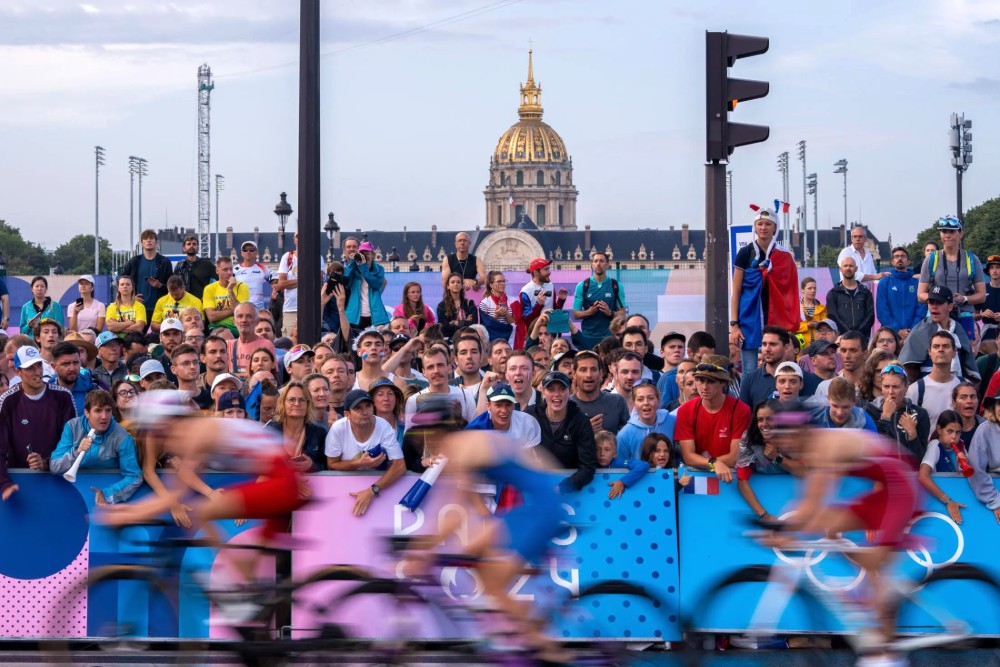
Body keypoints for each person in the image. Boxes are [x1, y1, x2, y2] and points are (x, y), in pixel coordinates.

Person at [399, 419, 568, 663]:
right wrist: (428, 546)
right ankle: (514, 621)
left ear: (439, 434)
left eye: (426, 438)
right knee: (471, 553)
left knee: (493, 582)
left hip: (540, 508)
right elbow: (459, 507)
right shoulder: (465, 443)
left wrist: (421, 550)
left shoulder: (462, 449)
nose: (423, 444)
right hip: (535, 504)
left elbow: (454, 510)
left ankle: (544, 644)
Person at [766, 404, 919, 660]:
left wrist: (783, 532)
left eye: (790, 436)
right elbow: (807, 506)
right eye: (782, 439)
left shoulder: (825, 447)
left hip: (901, 488)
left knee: (874, 564)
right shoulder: (815, 448)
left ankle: (888, 651)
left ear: (804, 431)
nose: (787, 445)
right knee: (832, 528)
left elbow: (811, 506)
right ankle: (877, 607)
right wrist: (780, 529)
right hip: (886, 489)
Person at [730, 206, 801, 377]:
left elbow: (790, 291)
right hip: (748, 320)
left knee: (779, 366)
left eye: (768, 224)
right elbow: (736, 291)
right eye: (760, 223)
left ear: (775, 228)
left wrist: (791, 319)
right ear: (755, 227)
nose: (763, 227)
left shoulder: (784, 255)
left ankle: (776, 400)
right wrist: (734, 324)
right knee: (749, 370)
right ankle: (748, 404)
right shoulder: (745, 253)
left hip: (777, 319)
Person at [0, 346, 77, 500]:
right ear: (17, 372)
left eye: (39, 365)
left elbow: (73, 444)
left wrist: (47, 463)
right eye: (30, 368)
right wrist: (4, 483)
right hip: (20, 484)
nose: (37, 372)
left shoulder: (64, 397)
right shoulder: (7, 401)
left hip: (58, 482)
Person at [49, 389, 142, 505]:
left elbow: (134, 476)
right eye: (98, 410)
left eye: (108, 410)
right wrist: (77, 451)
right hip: (72, 495)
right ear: (87, 413)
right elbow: (54, 466)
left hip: (107, 499)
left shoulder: (122, 436)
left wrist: (107, 494)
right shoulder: (72, 427)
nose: (104, 416)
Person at [325, 389, 406, 516]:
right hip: (346, 490)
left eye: (368, 406)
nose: (365, 412)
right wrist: (358, 463)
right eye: (358, 408)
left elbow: (400, 466)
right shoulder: (338, 429)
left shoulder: (383, 426)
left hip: (380, 489)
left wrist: (372, 491)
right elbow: (331, 464)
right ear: (347, 414)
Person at [675, 356, 751, 483]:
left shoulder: (741, 410)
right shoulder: (685, 411)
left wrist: (712, 463)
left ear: (723, 383)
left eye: (710, 381)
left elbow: (734, 457)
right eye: (700, 380)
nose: (704, 387)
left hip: (730, 478)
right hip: (697, 478)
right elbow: (688, 457)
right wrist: (713, 463)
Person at [918, 216, 986, 342]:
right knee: (934, 352)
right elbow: (920, 294)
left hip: (963, 313)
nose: (947, 235)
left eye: (952, 231)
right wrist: (940, 301)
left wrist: (964, 299)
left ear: (961, 234)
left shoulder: (972, 259)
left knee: (964, 354)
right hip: (937, 314)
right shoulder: (932, 259)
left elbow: (981, 295)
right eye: (944, 231)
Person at [735, 400, 805, 520]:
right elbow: (742, 481)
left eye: (769, 419)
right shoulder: (749, 438)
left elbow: (805, 472)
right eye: (760, 420)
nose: (764, 424)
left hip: (794, 498)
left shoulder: (794, 437)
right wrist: (764, 515)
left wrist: (777, 457)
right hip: (766, 497)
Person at [527, 371, 596, 492]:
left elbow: (588, 467)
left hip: (571, 493)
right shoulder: (531, 415)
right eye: (551, 389)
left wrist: (563, 487)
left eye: (562, 389)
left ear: (569, 392)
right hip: (533, 485)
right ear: (543, 392)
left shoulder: (580, 421)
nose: (557, 394)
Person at [899, 285, 978, 383]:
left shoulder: (958, 329)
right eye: (931, 302)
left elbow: (968, 367)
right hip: (927, 391)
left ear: (950, 306)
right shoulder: (919, 331)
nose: (934, 306)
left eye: (939, 303)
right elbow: (907, 369)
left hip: (957, 389)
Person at [867, 363, 930, 459]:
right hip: (882, 472)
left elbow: (920, 459)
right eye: (886, 386)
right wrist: (885, 417)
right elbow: (874, 450)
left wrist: (912, 434)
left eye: (896, 387)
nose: (890, 392)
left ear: (906, 387)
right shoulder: (870, 411)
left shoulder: (920, 414)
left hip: (909, 472)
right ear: (881, 388)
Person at [918, 410, 970, 525]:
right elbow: (922, 476)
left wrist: (962, 466)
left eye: (958, 432)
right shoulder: (935, 446)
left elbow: (970, 475)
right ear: (939, 429)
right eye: (949, 431)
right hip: (940, 499)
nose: (954, 437)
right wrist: (948, 501)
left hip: (957, 495)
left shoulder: (961, 444)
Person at [404, 347, 476, 428]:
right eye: (430, 367)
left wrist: (459, 419)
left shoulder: (466, 395)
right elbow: (408, 436)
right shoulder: (414, 400)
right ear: (424, 372)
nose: (436, 371)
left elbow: (474, 432)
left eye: (440, 365)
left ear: (449, 368)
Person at [266, 381, 327, 471]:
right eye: (291, 400)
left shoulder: (319, 433)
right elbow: (259, 464)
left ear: (308, 404)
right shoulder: (270, 431)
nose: (297, 404)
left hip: (309, 484)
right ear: (283, 403)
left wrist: (312, 466)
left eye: (301, 400)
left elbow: (327, 466)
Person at [572, 251, 627, 350]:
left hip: (609, 337)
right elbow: (576, 314)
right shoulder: (583, 286)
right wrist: (590, 312)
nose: (598, 264)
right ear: (592, 265)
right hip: (587, 337)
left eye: (601, 261)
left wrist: (609, 312)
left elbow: (623, 314)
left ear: (607, 265)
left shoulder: (616, 285)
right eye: (595, 261)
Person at [466, 382, 542, 451]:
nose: (504, 410)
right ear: (488, 406)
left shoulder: (528, 423)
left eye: (508, 405)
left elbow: (533, 458)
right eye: (498, 405)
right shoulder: (475, 430)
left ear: (513, 405)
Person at [570, 351, 630, 435]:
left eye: (593, 369)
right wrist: (585, 431)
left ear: (601, 373)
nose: (589, 375)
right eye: (583, 370)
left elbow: (627, 440)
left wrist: (605, 437)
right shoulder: (566, 405)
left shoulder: (617, 402)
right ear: (574, 374)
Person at [617, 381, 675, 462]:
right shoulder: (624, 434)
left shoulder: (673, 422)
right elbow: (621, 465)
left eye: (650, 398)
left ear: (658, 400)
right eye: (640, 399)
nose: (646, 403)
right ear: (634, 403)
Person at [876, 246, 925, 341]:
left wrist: (911, 330)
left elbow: (921, 310)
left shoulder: (917, 283)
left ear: (908, 261)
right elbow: (882, 311)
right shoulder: (884, 283)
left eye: (903, 256)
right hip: (890, 335)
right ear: (892, 262)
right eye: (896, 256)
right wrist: (897, 330)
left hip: (913, 334)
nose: (899, 258)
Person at [513, 257, 564, 350]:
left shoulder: (551, 286)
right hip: (535, 335)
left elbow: (554, 310)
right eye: (546, 269)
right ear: (536, 272)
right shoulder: (525, 291)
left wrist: (561, 300)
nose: (549, 272)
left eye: (549, 269)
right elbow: (527, 319)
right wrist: (538, 305)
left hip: (551, 334)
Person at [967, 388, 1000, 522]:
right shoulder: (985, 430)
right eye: (999, 404)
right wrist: (996, 501)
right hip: (993, 498)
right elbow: (975, 470)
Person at [122, 229, 173, 310]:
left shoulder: (165, 262)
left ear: (156, 243)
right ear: (142, 243)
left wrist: (160, 285)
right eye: (145, 239)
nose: (148, 240)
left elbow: (172, 286)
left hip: (159, 307)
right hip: (137, 307)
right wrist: (130, 297)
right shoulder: (134, 261)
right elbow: (122, 281)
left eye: (151, 238)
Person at [343, 241, 389, 330]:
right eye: (362, 253)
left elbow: (376, 285)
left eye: (368, 253)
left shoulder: (379, 269)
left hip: (374, 316)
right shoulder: (355, 268)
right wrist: (352, 263)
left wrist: (363, 268)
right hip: (355, 315)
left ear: (373, 255)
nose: (365, 256)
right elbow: (346, 282)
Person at [826, 257, 875, 339]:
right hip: (841, 339)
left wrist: (858, 334)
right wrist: (848, 334)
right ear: (840, 269)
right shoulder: (833, 293)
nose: (848, 268)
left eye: (851, 266)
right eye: (845, 266)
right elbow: (833, 317)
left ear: (856, 269)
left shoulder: (865, 293)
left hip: (862, 340)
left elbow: (870, 316)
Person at [226, 302, 275, 380]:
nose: (244, 320)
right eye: (240, 316)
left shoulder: (266, 345)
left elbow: (273, 375)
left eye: (249, 316)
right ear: (234, 321)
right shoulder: (228, 345)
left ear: (257, 321)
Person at [812, 331, 867, 401]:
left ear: (865, 353)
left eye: (853, 350)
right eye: (843, 350)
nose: (847, 356)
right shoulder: (825, 387)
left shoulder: (875, 385)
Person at [202, 256, 250, 337]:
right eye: (225, 270)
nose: (229, 272)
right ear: (217, 271)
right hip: (216, 328)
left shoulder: (242, 287)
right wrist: (232, 311)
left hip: (236, 329)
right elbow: (211, 317)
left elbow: (241, 313)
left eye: (231, 269)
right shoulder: (209, 288)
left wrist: (230, 289)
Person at [50, 342, 100, 415]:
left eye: (76, 363)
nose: (72, 368)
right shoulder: (46, 393)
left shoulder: (93, 390)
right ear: (54, 367)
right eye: (66, 364)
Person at [170, 344, 214, 410]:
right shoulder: (171, 403)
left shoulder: (211, 398)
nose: (192, 367)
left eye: (195, 362)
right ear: (174, 370)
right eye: (186, 363)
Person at [172, 235, 216, 300]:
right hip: (183, 302)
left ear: (198, 247)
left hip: (202, 303)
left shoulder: (207, 264)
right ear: (184, 248)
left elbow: (220, 278)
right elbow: (174, 284)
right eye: (189, 244)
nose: (191, 246)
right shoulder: (180, 265)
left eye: (194, 244)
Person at [233, 240, 273, 312]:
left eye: (251, 250)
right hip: (241, 309)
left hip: (258, 310)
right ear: (241, 253)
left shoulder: (263, 268)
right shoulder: (235, 270)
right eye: (245, 250)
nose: (248, 252)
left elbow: (276, 281)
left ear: (256, 252)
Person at [478, 270, 515, 342]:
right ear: (491, 285)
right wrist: (496, 315)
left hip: (510, 340)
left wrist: (506, 314)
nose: (502, 284)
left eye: (504, 281)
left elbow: (515, 325)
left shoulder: (513, 301)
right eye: (499, 281)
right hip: (491, 341)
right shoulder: (484, 303)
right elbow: (485, 327)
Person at [370, 377, 406, 445]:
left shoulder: (405, 428)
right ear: (372, 401)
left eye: (390, 394)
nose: (386, 398)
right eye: (380, 394)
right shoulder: (365, 428)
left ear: (396, 399)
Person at [795, 277, 827, 346]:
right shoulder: (796, 308)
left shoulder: (822, 308)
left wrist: (819, 325)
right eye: (810, 288)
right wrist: (808, 325)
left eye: (814, 288)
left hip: (818, 346)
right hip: (801, 346)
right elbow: (792, 328)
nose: (813, 291)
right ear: (802, 290)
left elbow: (826, 327)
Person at [952, 381, 984, 449]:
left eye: (973, 397)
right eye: (963, 397)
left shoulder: (988, 429)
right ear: (954, 402)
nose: (969, 401)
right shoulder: (944, 429)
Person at [976, 255, 1000, 342]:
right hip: (987, 334)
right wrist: (982, 314)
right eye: (992, 268)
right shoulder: (982, 290)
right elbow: (973, 316)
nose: (994, 270)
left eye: (997, 267)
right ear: (988, 271)